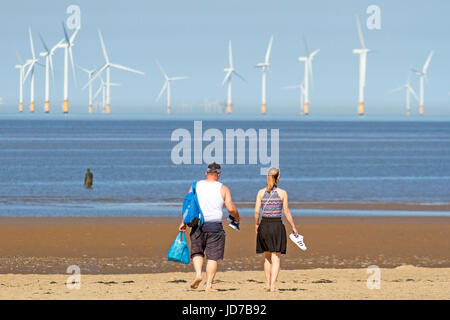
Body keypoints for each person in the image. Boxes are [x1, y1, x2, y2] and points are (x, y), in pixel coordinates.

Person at [179, 162, 240, 292]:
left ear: (206, 173)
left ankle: (198, 274)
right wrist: (237, 216)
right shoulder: (223, 188)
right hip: (214, 225)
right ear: (218, 175)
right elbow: (230, 208)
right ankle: (208, 286)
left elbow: (188, 207)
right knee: (212, 256)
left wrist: (183, 222)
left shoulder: (195, 186)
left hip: (197, 224)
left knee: (197, 252)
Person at [254, 168, 298, 292]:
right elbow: (286, 211)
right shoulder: (282, 193)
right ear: (278, 178)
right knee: (276, 257)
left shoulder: (261, 192)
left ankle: (268, 284)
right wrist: (293, 226)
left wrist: (256, 225)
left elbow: (257, 211)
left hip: (264, 225)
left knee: (267, 256)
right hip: (276, 225)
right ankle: (273, 286)